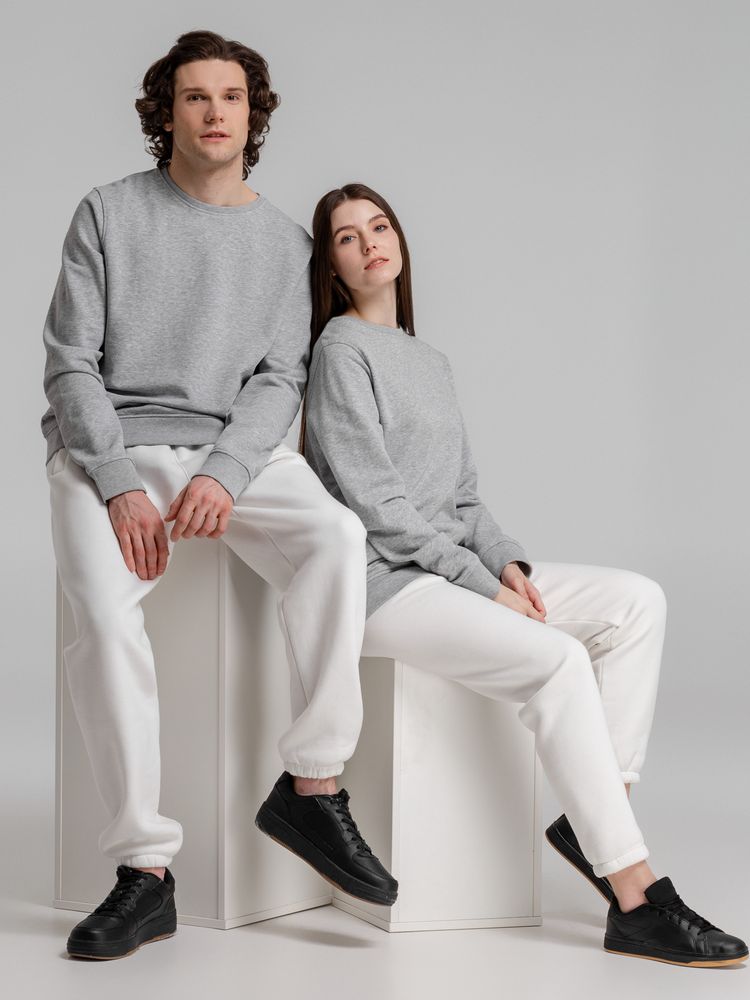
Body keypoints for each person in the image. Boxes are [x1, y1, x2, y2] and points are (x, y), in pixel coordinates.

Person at [300, 181, 748, 968]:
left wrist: (506, 562)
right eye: (346, 237)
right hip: (385, 584)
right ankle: (637, 897)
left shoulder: (428, 360)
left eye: (380, 226)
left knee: (637, 603)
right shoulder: (340, 350)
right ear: (332, 268)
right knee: (559, 660)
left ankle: (597, 813)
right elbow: (380, 507)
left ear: (399, 241)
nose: (369, 242)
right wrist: (483, 588)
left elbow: (465, 498)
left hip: (451, 571)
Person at [41, 34, 396, 962]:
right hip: (110, 450)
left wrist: (224, 472)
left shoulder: (285, 245)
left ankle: (313, 785)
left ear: (253, 113)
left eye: (231, 97)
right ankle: (145, 872)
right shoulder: (108, 212)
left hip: (227, 452)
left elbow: (281, 378)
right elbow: (70, 365)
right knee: (103, 622)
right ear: (167, 113)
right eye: (194, 97)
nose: (213, 113)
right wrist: (117, 482)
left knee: (335, 535)